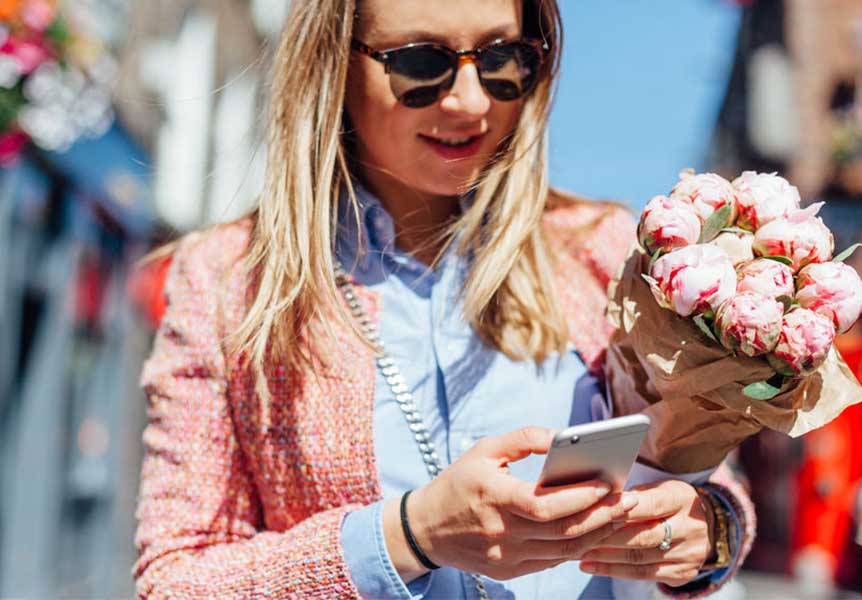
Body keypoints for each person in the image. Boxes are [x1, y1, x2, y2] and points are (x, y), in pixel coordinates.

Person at [132, 1, 756, 598]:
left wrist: (710, 533)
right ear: (335, 61)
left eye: (502, 59)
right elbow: (175, 577)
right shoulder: (226, 279)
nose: (469, 101)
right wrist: (411, 534)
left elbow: (700, 479)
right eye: (421, 63)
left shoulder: (598, 246)